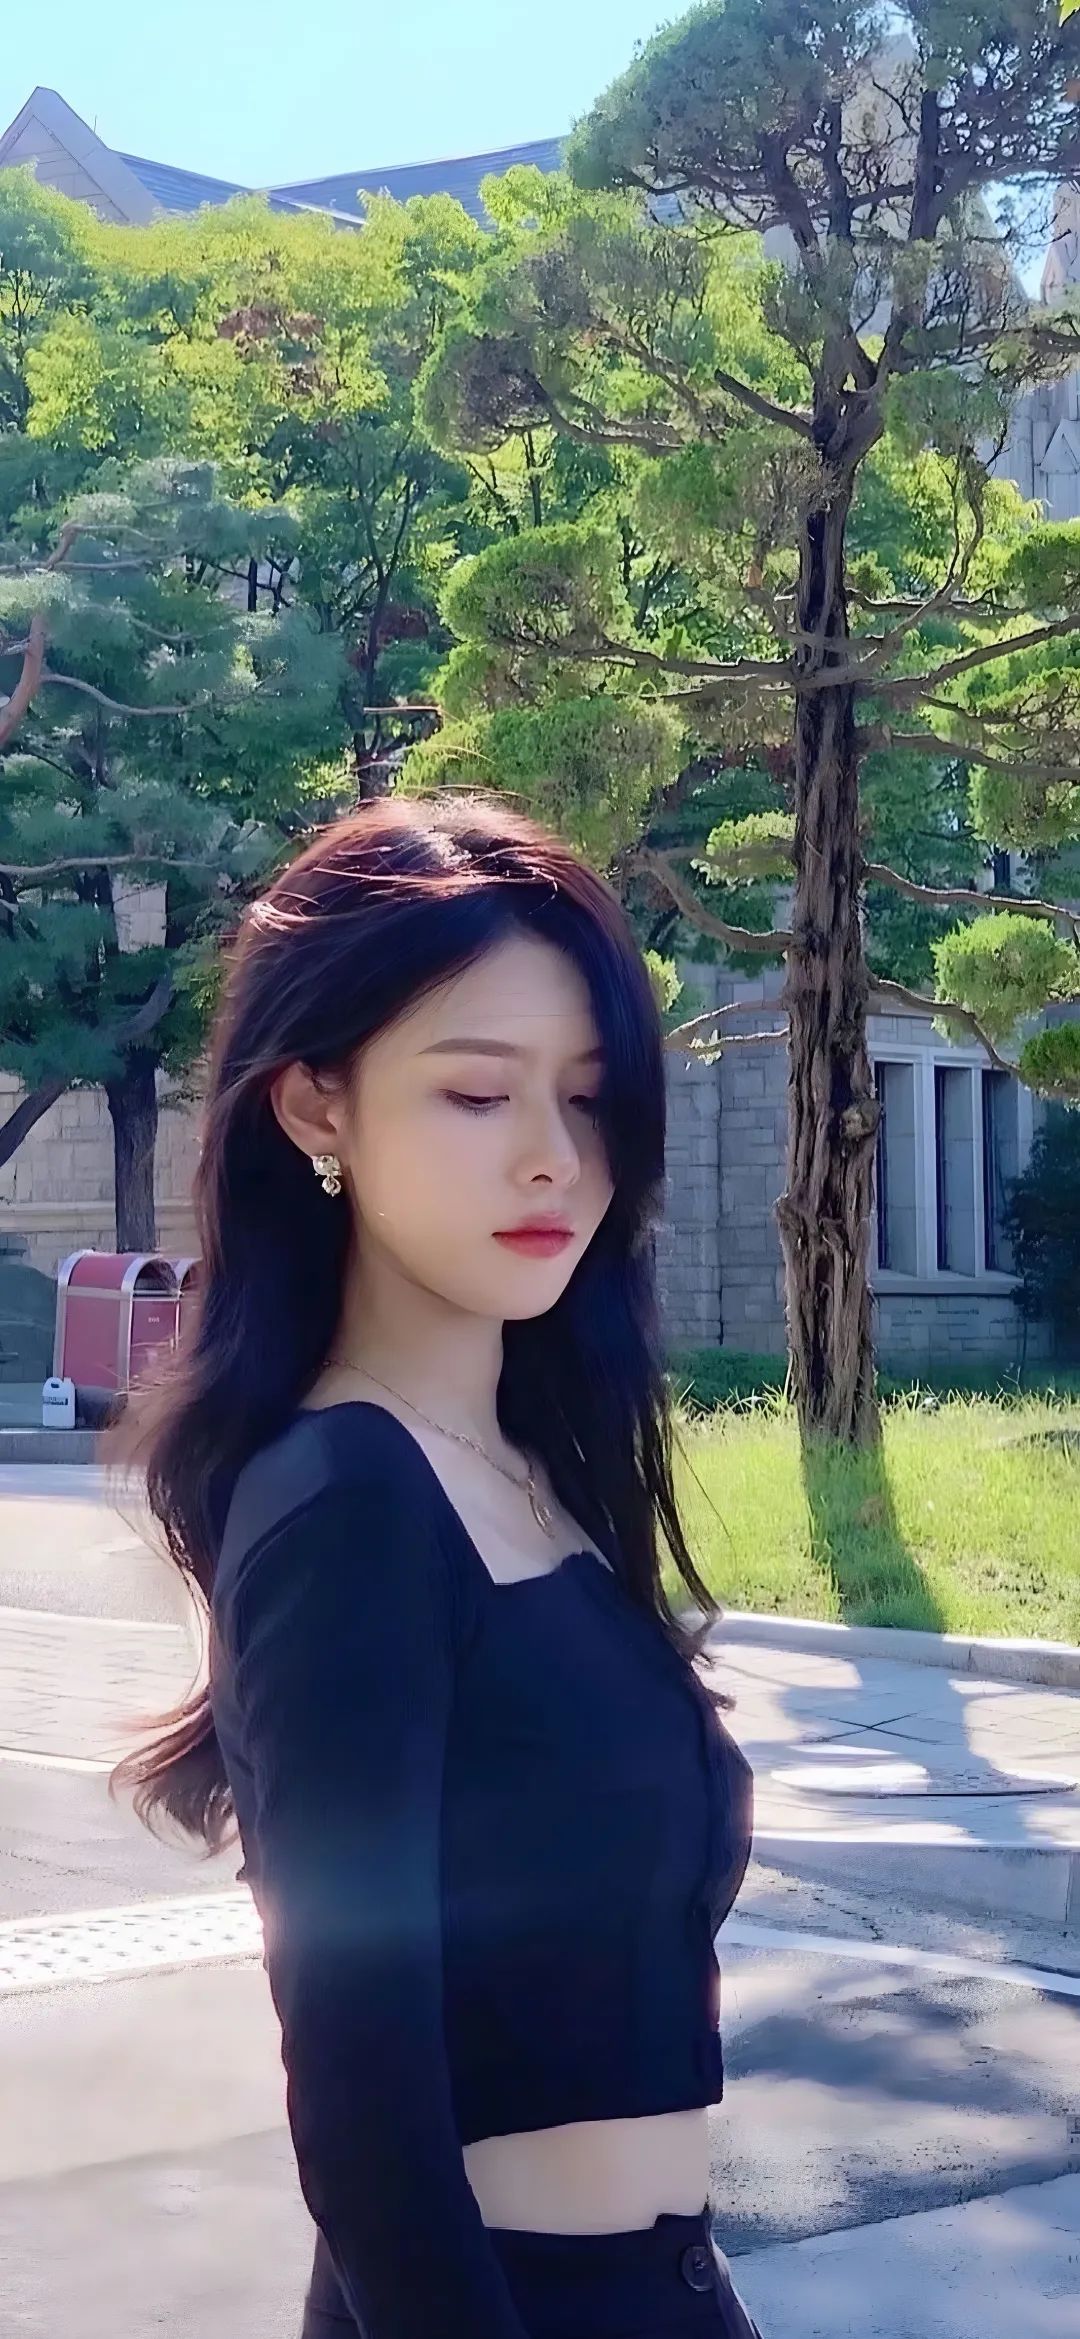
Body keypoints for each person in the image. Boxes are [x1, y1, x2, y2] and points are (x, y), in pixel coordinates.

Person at [110, 794, 761, 2339]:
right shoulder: (350, 1502)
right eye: (477, 1094)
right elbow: (365, 2110)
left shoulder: (541, 1473)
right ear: (315, 1108)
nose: (554, 1160)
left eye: (588, 1098)